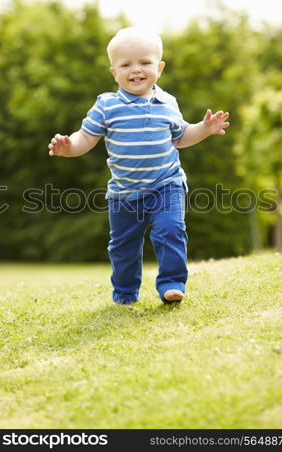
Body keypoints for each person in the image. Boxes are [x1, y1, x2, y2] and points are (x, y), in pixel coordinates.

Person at [48, 27, 230, 305]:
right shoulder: (106, 106)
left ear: (159, 67)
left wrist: (204, 128)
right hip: (124, 193)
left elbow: (181, 137)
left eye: (144, 63)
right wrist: (68, 147)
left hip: (166, 184)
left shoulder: (168, 102)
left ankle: (171, 283)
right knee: (123, 248)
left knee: (170, 230)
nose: (136, 70)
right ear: (114, 72)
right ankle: (125, 292)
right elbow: (85, 138)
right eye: (126, 64)